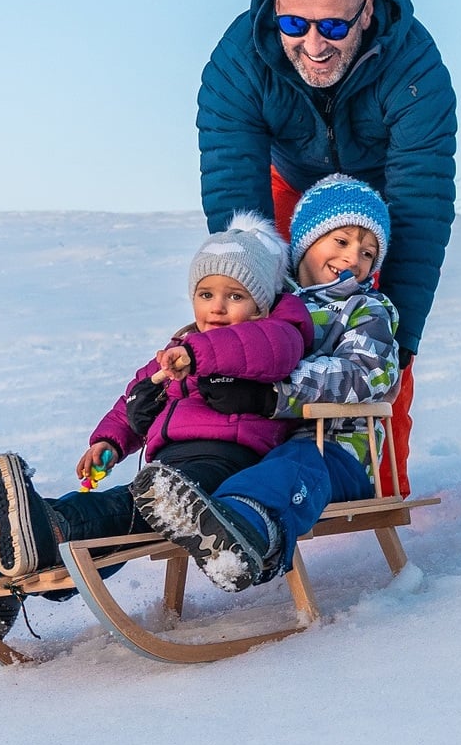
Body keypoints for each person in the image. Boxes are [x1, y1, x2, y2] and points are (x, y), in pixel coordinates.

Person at [0, 218, 311, 636]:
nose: (217, 307)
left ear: (263, 305)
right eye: (205, 294)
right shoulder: (180, 349)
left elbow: (263, 352)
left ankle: (44, 529)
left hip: (228, 465)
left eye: (235, 296)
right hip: (168, 468)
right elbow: (133, 401)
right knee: (125, 507)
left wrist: (196, 356)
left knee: (132, 507)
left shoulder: (276, 335)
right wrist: (108, 441)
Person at [198, 0, 456, 495]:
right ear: (274, 4)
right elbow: (236, 206)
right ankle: (251, 478)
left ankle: (375, 487)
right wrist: (248, 314)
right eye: (296, 25)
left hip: (378, 196)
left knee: (376, 329)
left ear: (365, 10)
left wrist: (402, 336)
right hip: (286, 184)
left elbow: (420, 208)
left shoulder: (416, 68)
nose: (314, 45)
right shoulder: (237, 64)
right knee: (262, 322)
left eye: (334, 27)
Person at [135, 176, 402, 594]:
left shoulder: (366, 309)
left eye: (368, 252)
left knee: (296, 463)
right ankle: (204, 518)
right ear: (306, 240)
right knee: (212, 465)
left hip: (338, 446)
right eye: (342, 240)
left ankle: (245, 534)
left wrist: (275, 393)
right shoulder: (268, 301)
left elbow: (364, 374)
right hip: (262, 441)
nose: (354, 257)